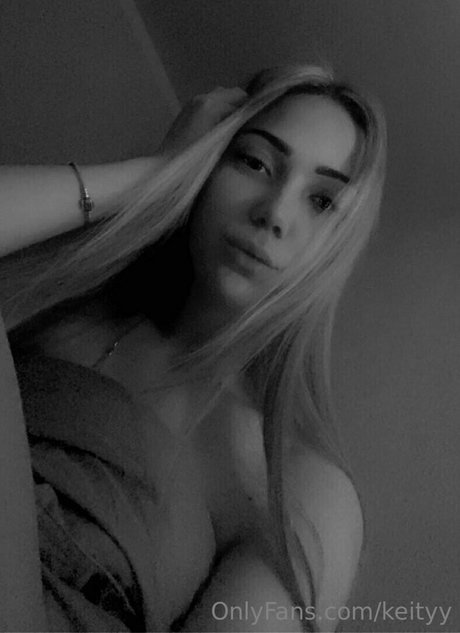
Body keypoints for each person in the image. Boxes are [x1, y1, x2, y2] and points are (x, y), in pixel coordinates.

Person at [0, 63, 386, 632]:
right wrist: (156, 175)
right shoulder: (64, 313)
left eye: (323, 202)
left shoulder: (297, 488)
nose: (275, 213)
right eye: (254, 162)